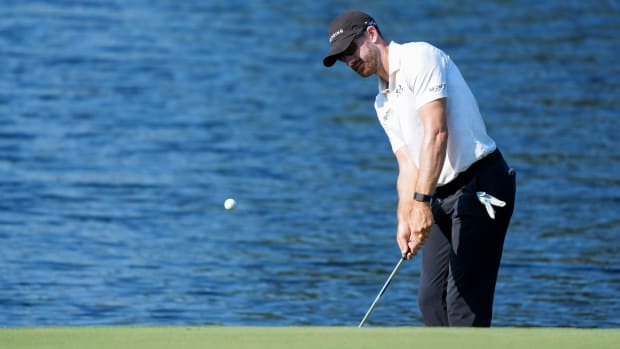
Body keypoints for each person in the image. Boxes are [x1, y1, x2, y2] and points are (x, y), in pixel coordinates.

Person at [322, 10, 516, 327]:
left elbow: (437, 132)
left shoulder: (419, 58)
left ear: (371, 35)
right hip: (438, 192)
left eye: (350, 50)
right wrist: (405, 218)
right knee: (431, 301)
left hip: (483, 185)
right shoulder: (382, 102)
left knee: (463, 304)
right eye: (342, 58)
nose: (349, 61)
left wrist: (421, 204)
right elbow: (407, 164)